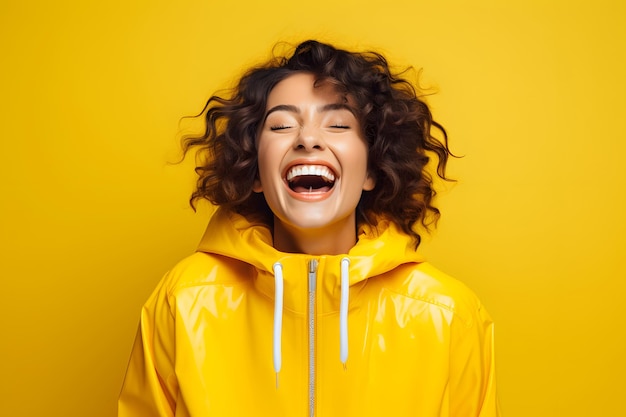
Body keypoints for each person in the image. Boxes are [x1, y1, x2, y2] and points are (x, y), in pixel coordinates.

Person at [118, 39, 499, 416]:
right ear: (256, 173)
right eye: (282, 125)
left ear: (370, 169)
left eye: (336, 123)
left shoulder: (448, 314)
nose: (308, 139)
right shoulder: (183, 301)